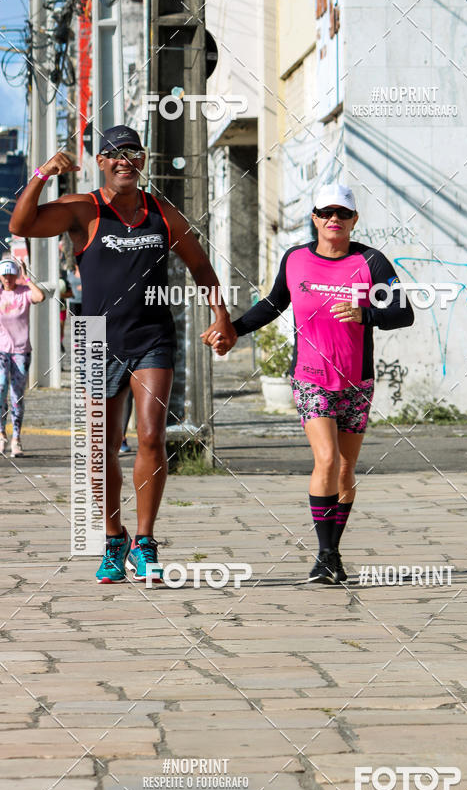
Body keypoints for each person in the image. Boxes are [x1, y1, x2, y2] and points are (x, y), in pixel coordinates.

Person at [10, 125, 236, 584]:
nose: (123, 161)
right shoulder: (83, 209)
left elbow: (201, 265)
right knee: (101, 447)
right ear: (101, 163)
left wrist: (221, 315)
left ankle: (146, 543)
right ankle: (114, 539)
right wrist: (43, 172)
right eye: (114, 154)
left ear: (143, 159)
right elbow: (21, 225)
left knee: (151, 437)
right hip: (97, 339)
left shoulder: (162, 213)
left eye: (132, 153)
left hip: (152, 336)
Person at [203, 184, 415, 585]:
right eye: (326, 212)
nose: (334, 219)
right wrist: (232, 330)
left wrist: (365, 313)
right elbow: (273, 303)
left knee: (347, 468)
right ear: (315, 218)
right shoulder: (296, 259)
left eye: (343, 213)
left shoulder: (371, 261)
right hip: (311, 377)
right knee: (328, 460)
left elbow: (403, 312)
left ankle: (333, 553)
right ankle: (324, 554)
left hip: (357, 381)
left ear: (354, 220)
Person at [0, 258, 45, 457]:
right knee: (0, 390)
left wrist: (26, 277)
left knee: (16, 396)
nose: (8, 279)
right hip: (1, 351)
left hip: (21, 351)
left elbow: (40, 296)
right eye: (4, 275)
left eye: (11, 274)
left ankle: (16, 438)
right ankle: (1, 434)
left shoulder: (23, 293)